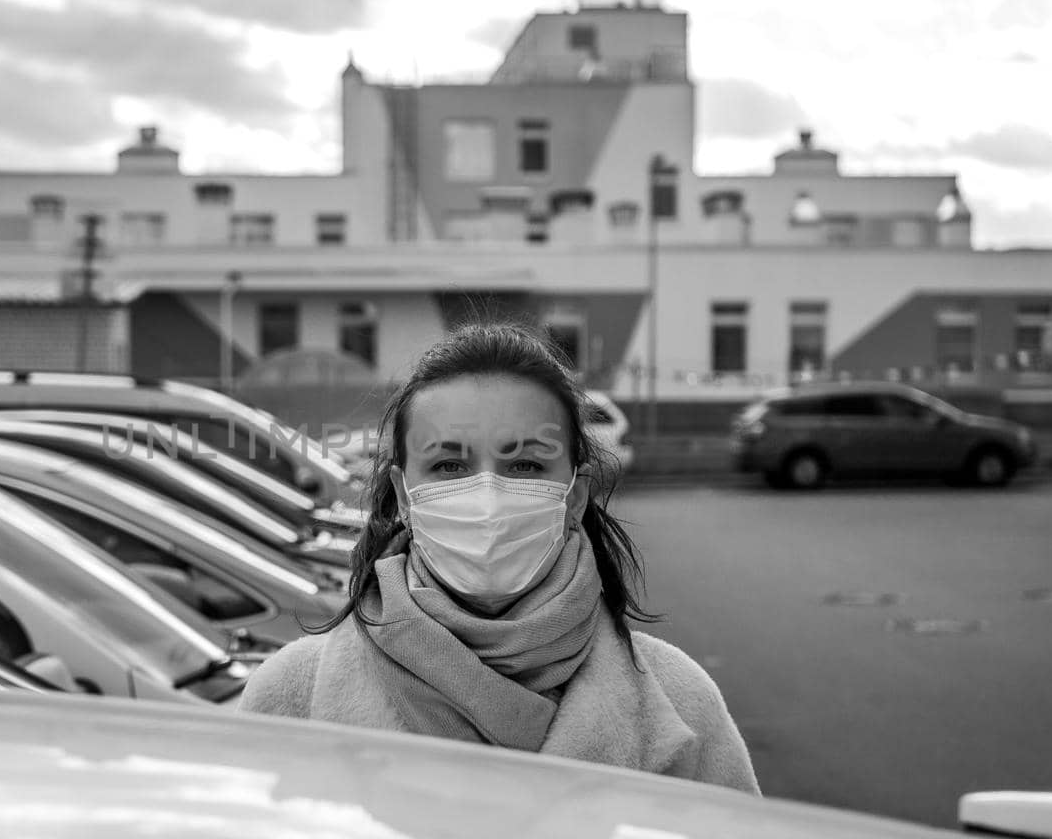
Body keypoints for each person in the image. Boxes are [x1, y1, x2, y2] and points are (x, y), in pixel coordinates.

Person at [239, 323, 759, 794]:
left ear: (574, 496)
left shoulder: (683, 701)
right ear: (403, 495)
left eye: (526, 465)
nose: (487, 494)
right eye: (448, 465)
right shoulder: (289, 698)